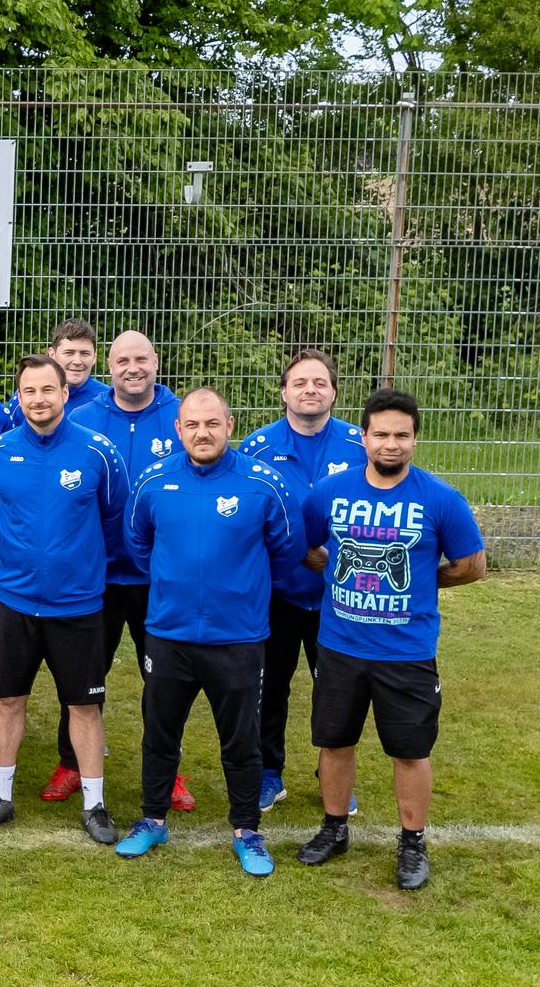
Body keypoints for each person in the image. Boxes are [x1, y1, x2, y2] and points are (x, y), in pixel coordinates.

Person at [296, 388, 484, 891]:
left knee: (410, 751)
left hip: (407, 652)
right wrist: (341, 572)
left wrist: (423, 583)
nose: (391, 444)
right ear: (363, 437)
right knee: (335, 743)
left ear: (415, 440)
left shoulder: (440, 499)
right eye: (381, 434)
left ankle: (412, 842)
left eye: (402, 435)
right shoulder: (330, 494)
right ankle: (334, 829)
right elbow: (310, 547)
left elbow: (472, 566)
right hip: (339, 645)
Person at [116, 388, 301, 876]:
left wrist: (240, 592)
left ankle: (247, 830)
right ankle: (153, 819)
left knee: (241, 740)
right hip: (168, 634)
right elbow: (138, 545)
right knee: (160, 734)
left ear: (229, 425)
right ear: (178, 429)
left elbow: (285, 552)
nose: (202, 433)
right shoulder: (153, 481)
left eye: (212, 424)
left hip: (237, 638)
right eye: (193, 425)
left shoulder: (264, 484)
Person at [0, 355, 128, 844]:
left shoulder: (98, 452)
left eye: (47, 390)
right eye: (28, 392)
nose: (38, 399)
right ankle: (1, 796)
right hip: (15, 602)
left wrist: (75, 564)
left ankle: (95, 804)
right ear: (18, 398)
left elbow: (113, 520)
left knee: (84, 707)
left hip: (78, 606)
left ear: (65, 394)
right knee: (9, 701)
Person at [57, 329, 188, 810]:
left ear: (156, 361)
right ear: (108, 367)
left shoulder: (179, 416)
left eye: (141, 359)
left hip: (160, 576)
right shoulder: (84, 416)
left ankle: (168, 771)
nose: (132, 368)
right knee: (83, 674)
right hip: (98, 575)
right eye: (122, 360)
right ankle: (71, 763)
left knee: (166, 679)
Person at [241, 349, 368, 812]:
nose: (310, 390)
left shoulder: (360, 445)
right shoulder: (255, 448)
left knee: (336, 690)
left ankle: (332, 772)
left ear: (334, 391)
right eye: (300, 383)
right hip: (276, 594)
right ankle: (269, 773)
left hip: (342, 596)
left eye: (319, 382)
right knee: (269, 686)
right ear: (284, 392)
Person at [8, 318, 111, 425]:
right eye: (69, 353)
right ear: (52, 354)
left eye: (85, 353)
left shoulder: (109, 399)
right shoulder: (27, 398)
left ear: (94, 356)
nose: (77, 361)